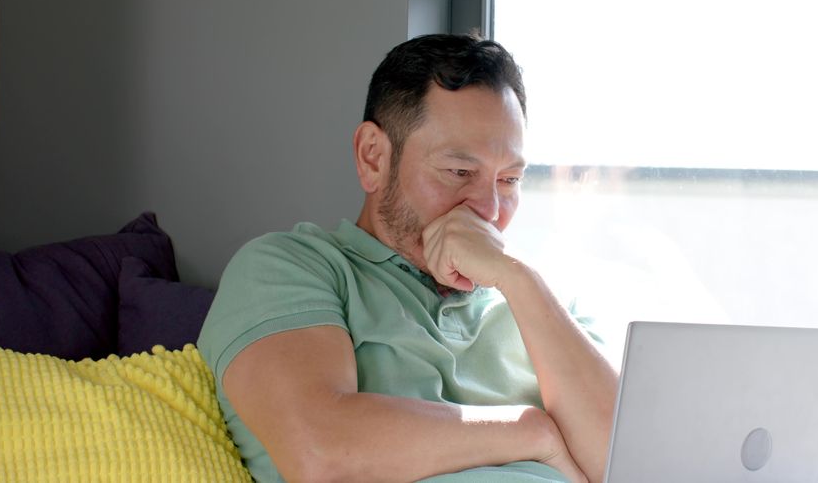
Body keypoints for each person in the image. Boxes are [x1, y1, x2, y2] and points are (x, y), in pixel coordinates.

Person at [198, 34, 617, 482]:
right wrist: (529, 430)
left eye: (510, 180)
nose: (491, 211)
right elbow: (321, 453)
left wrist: (517, 280)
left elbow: (634, 463)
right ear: (373, 157)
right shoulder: (288, 268)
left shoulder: (542, 301)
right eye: (460, 172)